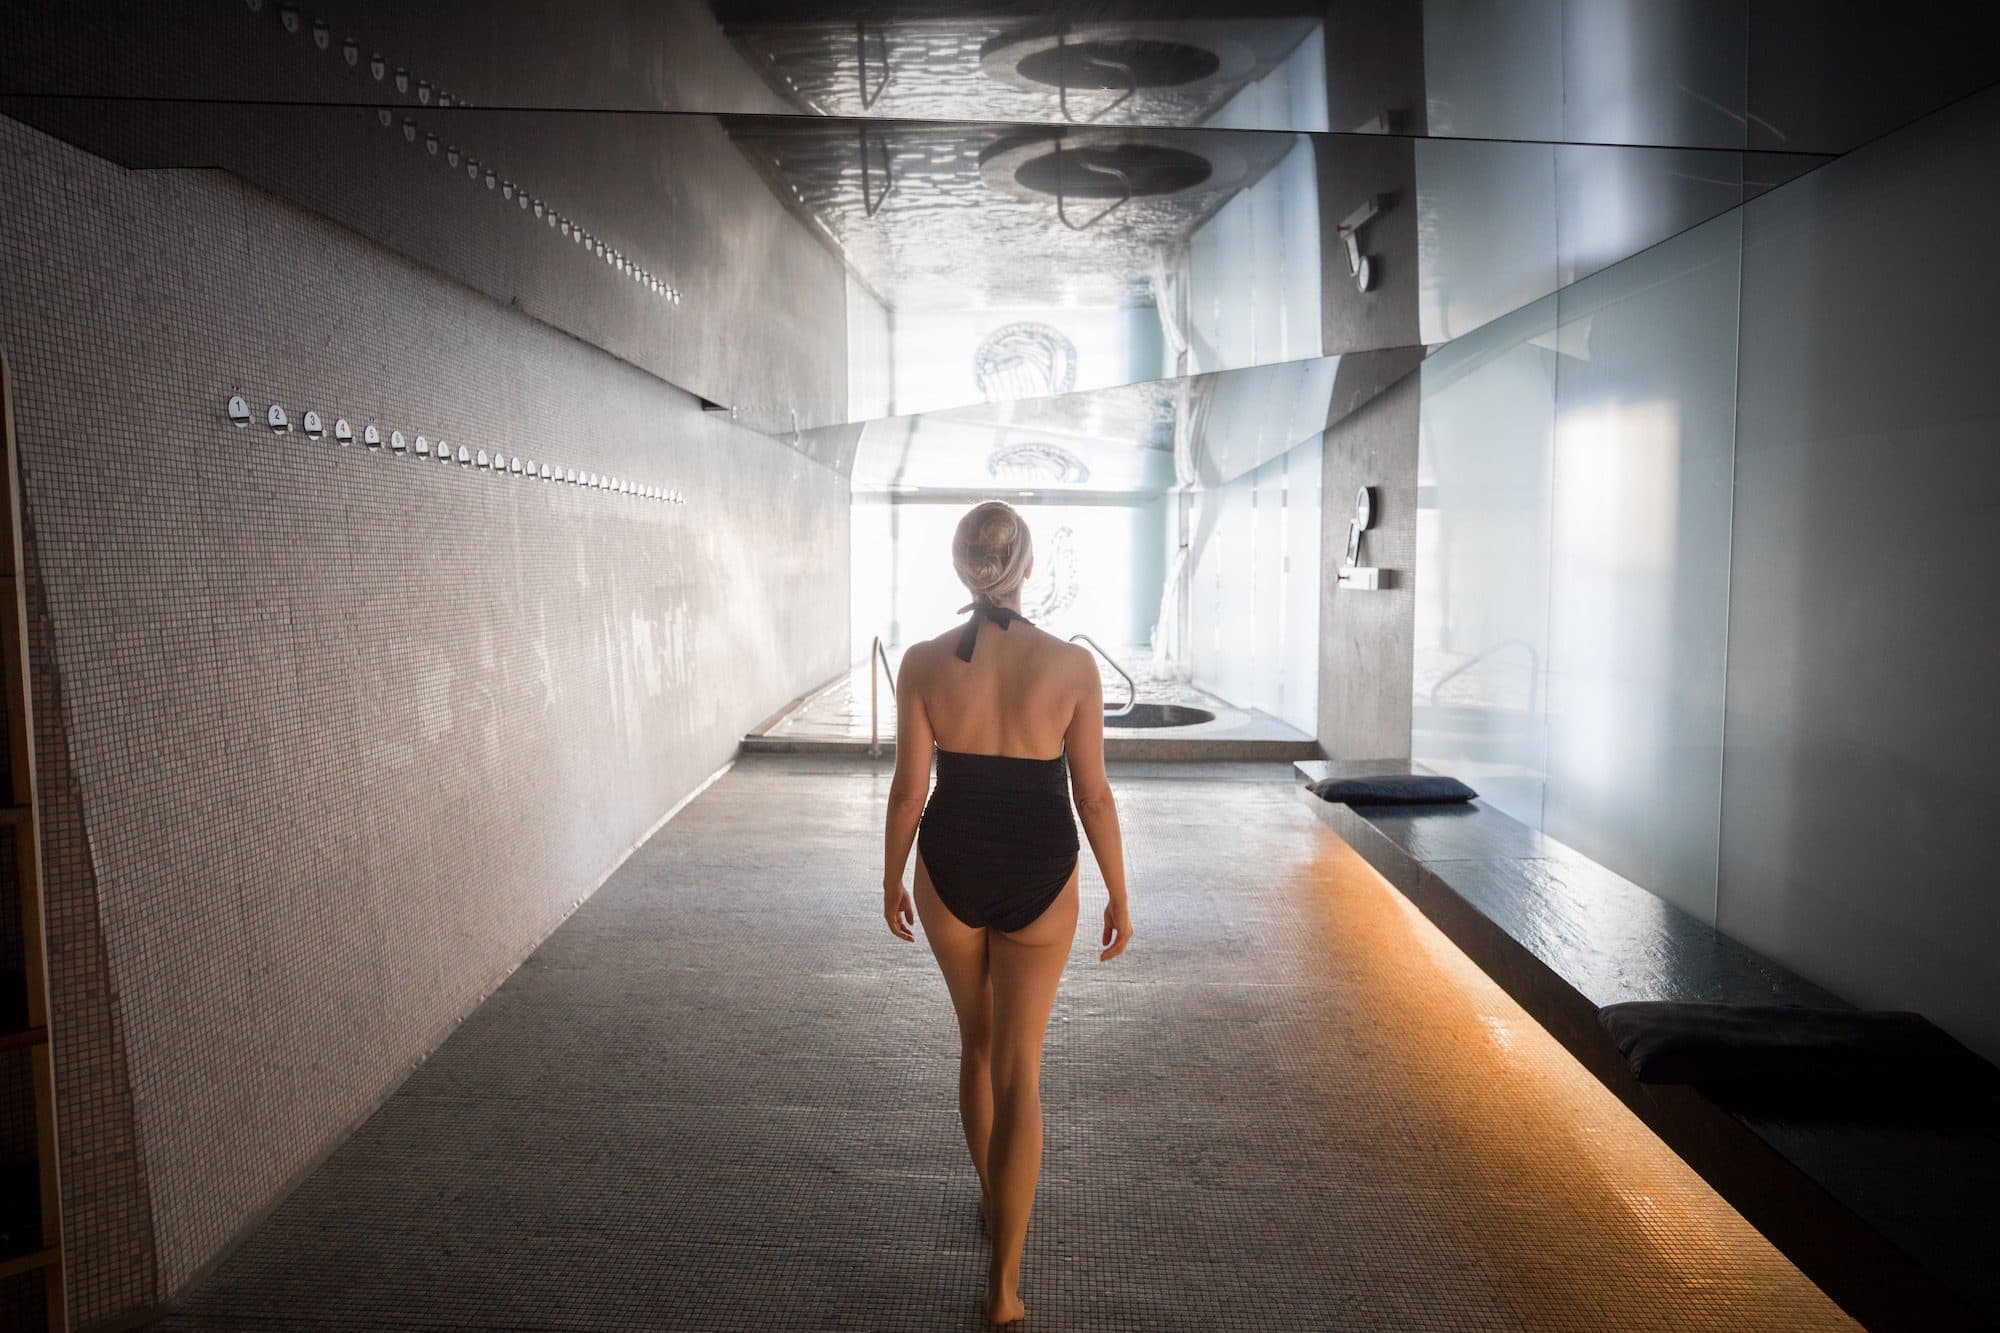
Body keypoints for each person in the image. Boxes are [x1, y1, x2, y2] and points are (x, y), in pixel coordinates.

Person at [880, 499, 1134, 1325]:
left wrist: (892, 878)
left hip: (947, 867)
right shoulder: (1071, 665)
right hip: (1040, 871)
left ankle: (994, 1198)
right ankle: (1005, 1286)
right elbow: (1092, 794)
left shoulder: (921, 662)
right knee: (1021, 1068)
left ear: (963, 569)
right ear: (1027, 567)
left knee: (977, 1042)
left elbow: (910, 790)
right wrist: (1120, 895)